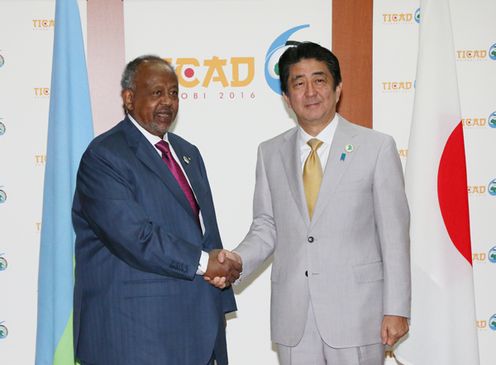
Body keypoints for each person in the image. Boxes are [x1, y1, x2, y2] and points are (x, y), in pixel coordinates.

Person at [209, 42, 411, 364]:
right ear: (287, 99)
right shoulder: (269, 152)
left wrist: (396, 308)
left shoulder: (376, 147)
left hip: (358, 314)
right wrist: (236, 260)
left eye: (319, 80)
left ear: (338, 88)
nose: (310, 91)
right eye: (298, 83)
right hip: (295, 317)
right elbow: (266, 227)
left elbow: (394, 236)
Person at [72, 55, 241, 365]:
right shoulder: (104, 156)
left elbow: (205, 232)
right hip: (134, 335)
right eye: (156, 92)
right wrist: (206, 263)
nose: (168, 102)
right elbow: (135, 237)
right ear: (128, 98)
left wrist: (221, 278)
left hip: (197, 328)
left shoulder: (187, 153)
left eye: (174, 93)